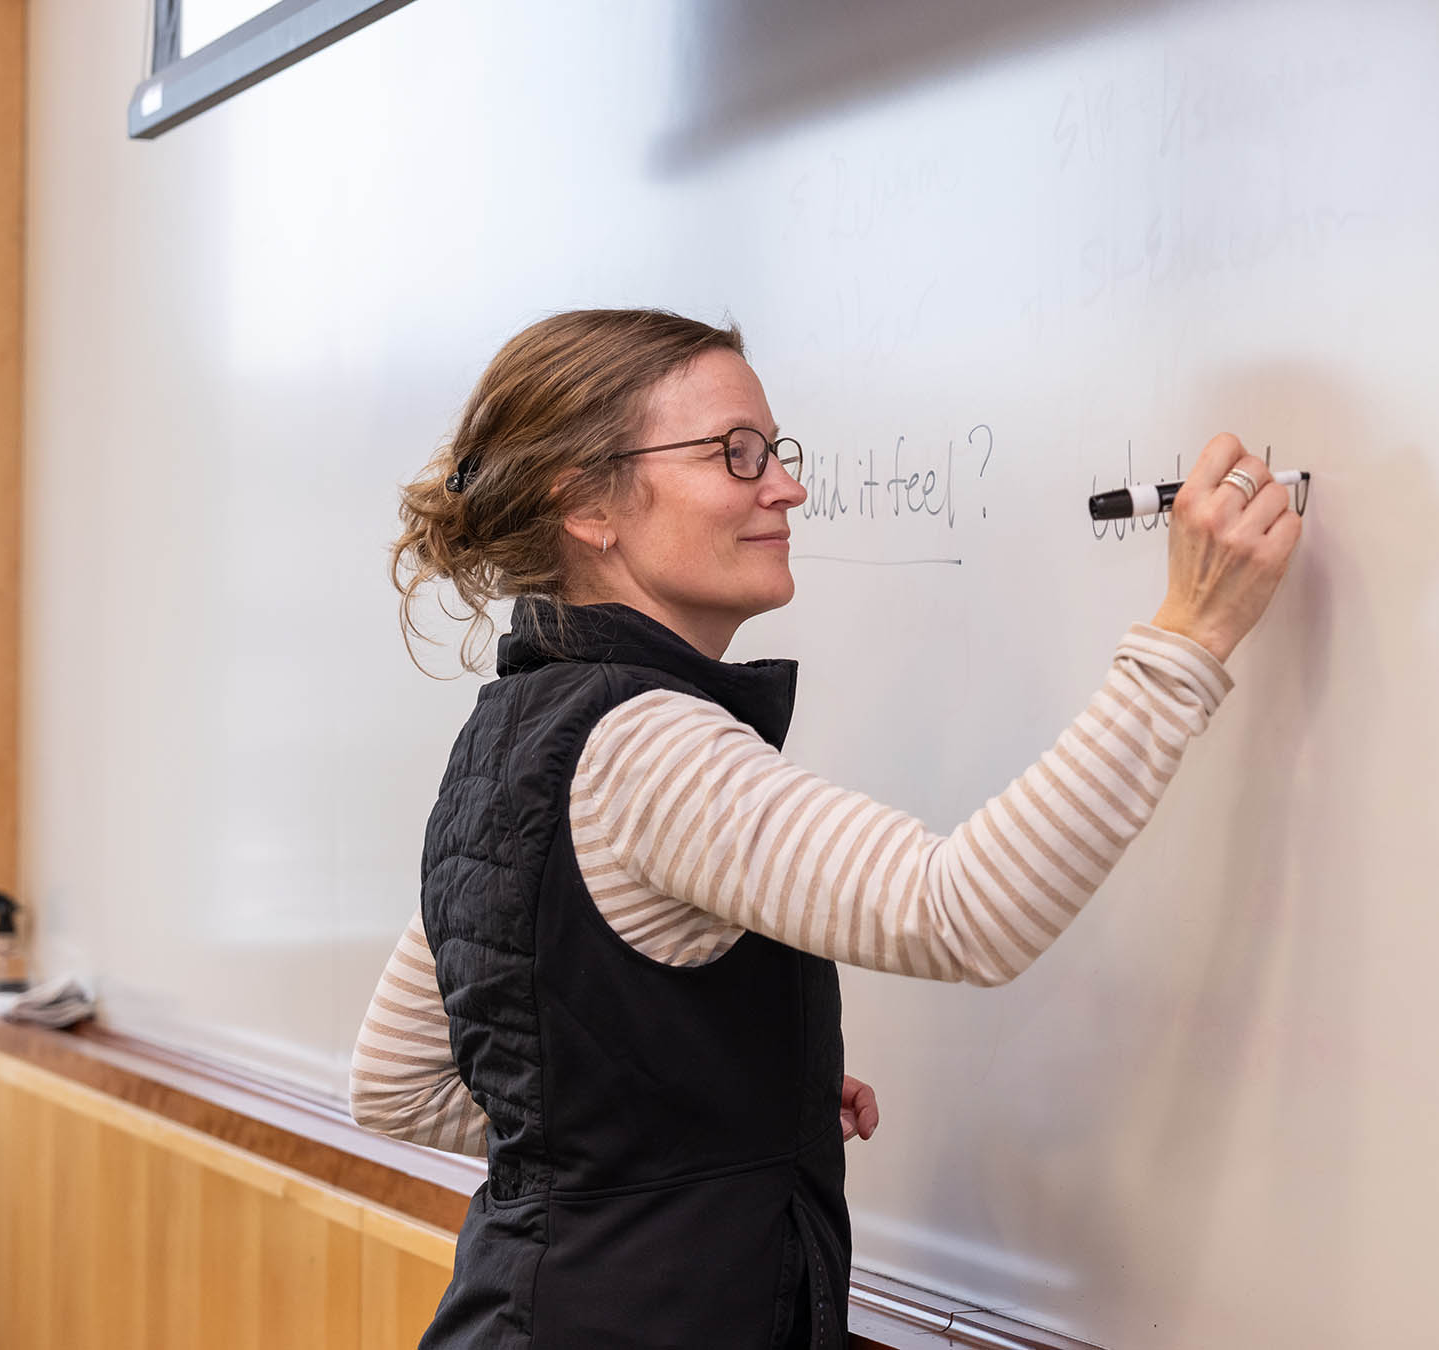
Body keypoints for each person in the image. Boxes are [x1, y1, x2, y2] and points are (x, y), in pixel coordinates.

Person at [349, 308, 1303, 1348]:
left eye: (775, 451)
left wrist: (698, 1101)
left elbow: (399, 1083)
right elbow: (964, 913)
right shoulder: (645, 746)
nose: (787, 486)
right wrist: (1190, 636)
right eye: (736, 454)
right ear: (587, 504)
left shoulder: (510, 734)